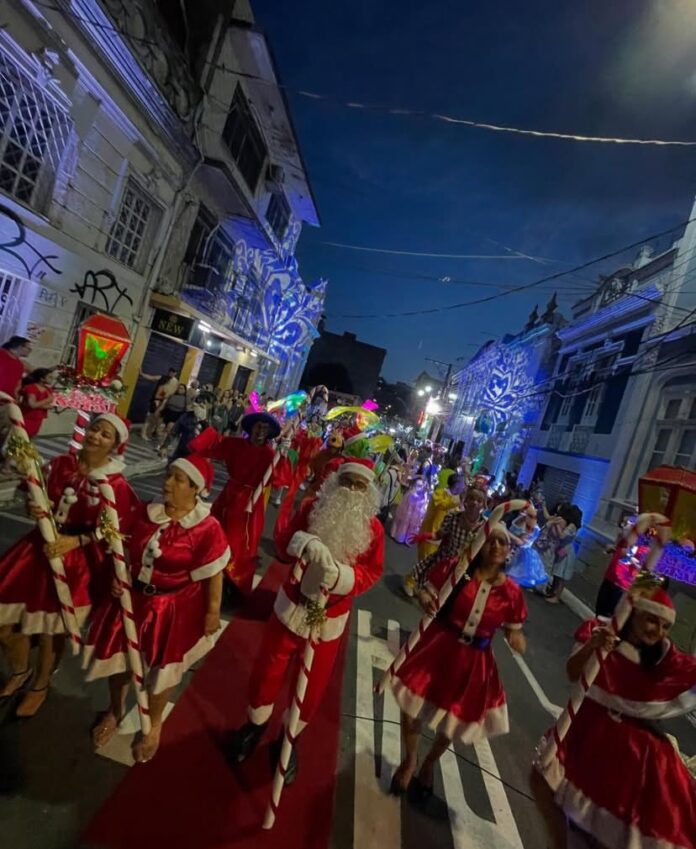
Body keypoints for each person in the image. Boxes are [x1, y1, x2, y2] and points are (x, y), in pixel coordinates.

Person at [223, 458, 384, 781]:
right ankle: (255, 726)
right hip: (292, 606)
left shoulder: (374, 529)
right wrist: (303, 542)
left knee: (310, 687)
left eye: (359, 485)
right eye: (347, 482)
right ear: (336, 482)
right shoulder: (314, 507)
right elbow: (284, 544)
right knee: (266, 671)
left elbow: (372, 572)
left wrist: (342, 576)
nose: (351, 490)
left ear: (368, 491)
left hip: (329, 617)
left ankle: (287, 739)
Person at [85, 455, 230, 763]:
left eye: (178, 480)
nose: (168, 483)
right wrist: (118, 578)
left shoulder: (207, 527)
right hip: (133, 599)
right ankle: (114, 709)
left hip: (173, 607)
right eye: (169, 476)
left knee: (163, 671)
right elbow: (124, 548)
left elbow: (213, 571)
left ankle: (153, 723)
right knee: (122, 661)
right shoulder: (147, 512)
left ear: (196, 489)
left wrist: (212, 612)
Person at [0, 414, 138, 716]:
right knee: (4, 621)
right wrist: (34, 508)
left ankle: (40, 684)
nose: (95, 436)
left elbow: (115, 527)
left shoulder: (115, 483)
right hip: (36, 549)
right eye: (94, 429)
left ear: (115, 446)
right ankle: (20, 669)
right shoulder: (60, 464)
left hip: (75, 561)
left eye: (105, 435)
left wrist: (76, 542)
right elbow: (35, 496)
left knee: (51, 630)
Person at [539, 586, 696, 849]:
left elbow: (689, 672)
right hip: (588, 731)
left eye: (665, 626)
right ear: (633, 613)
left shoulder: (663, 657)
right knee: (544, 782)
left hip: (634, 752)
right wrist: (594, 645)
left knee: (605, 827)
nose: (657, 631)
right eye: (652, 620)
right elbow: (573, 672)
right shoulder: (600, 633)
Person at [388, 524, 527, 805]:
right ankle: (411, 759)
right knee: (412, 706)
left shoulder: (512, 593)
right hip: (440, 647)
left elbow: (516, 632)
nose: (497, 547)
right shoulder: (456, 568)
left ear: (509, 551)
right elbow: (426, 592)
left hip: (474, 662)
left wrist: (516, 639)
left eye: (503, 542)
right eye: (491, 540)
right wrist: (426, 600)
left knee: (452, 721)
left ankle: (430, 763)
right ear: (479, 543)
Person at [188, 412, 280, 597]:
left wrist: (282, 459)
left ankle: (231, 584)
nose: (261, 431)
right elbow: (217, 443)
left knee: (239, 542)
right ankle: (206, 575)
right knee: (215, 533)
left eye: (265, 428)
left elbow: (278, 479)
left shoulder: (270, 454)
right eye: (258, 426)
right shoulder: (236, 444)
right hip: (229, 496)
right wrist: (205, 422)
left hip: (249, 504)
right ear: (251, 428)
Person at [404, 483, 486, 597]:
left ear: (483, 505)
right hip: (444, 558)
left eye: (479, 500)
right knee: (426, 576)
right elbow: (439, 534)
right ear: (466, 500)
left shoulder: (484, 527)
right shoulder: (453, 517)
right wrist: (423, 536)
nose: (474, 503)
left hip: (463, 567)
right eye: (471, 498)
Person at [415, 473, 466, 560]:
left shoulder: (455, 499)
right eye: (463, 482)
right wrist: (459, 501)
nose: (464, 485)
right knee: (424, 560)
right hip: (430, 534)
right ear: (457, 484)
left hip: (441, 538)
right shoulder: (440, 494)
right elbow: (443, 505)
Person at [544, 505, 582, 604]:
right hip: (562, 549)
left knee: (562, 576)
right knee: (557, 573)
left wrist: (556, 524)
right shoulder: (570, 524)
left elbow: (561, 536)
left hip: (566, 551)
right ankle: (552, 592)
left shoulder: (572, 526)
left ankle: (556, 597)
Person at [507, 507, 546, 589]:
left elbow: (521, 542)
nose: (524, 513)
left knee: (512, 579)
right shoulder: (521, 520)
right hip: (510, 549)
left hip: (519, 554)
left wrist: (505, 531)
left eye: (532, 516)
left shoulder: (533, 528)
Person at [390, 476, 429, 544]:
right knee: (405, 522)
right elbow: (414, 493)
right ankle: (400, 537)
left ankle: (405, 538)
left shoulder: (422, 487)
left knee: (409, 524)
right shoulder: (413, 490)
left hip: (415, 507)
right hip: (410, 506)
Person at [142, 368, 178, 441]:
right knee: (150, 418)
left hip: (165, 402)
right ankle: (143, 433)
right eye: (171, 372)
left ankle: (149, 433)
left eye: (173, 372)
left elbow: (173, 392)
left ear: (175, 374)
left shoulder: (175, 382)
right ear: (168, 372)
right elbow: (152, 378)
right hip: (156, 401)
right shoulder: (162, 378)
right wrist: (142, 374)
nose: (172, 374)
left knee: (157, 419)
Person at [19, 368, 55, 439]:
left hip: (38, 419)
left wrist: (42, 405)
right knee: (21, 438)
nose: (52, 378)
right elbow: (32, 405)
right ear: (42, 379)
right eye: (50, 377)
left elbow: (50, 406)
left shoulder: (48, 390)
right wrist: (48, 400)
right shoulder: (32, 387)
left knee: (30, 438)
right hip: (27, 417)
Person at [156, 383, 188, 450]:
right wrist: (160, 411)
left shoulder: (186, 399)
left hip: (176, 415)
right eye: (179, 388)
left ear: (185, 390)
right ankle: (161, 443)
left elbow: (186, 409)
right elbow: (165, 404)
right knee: (161, 430)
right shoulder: (172, 396)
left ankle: (161, 445)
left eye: (181, 388)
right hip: (167, 413)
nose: (179, 389)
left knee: (168, 430)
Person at [0, 335, 32, 400]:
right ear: (20, 346)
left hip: (6, 399)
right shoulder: (1, 354)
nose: (30, 350)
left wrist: (15, 397)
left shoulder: (20, 364)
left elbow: (17, 384)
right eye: (28, 348)